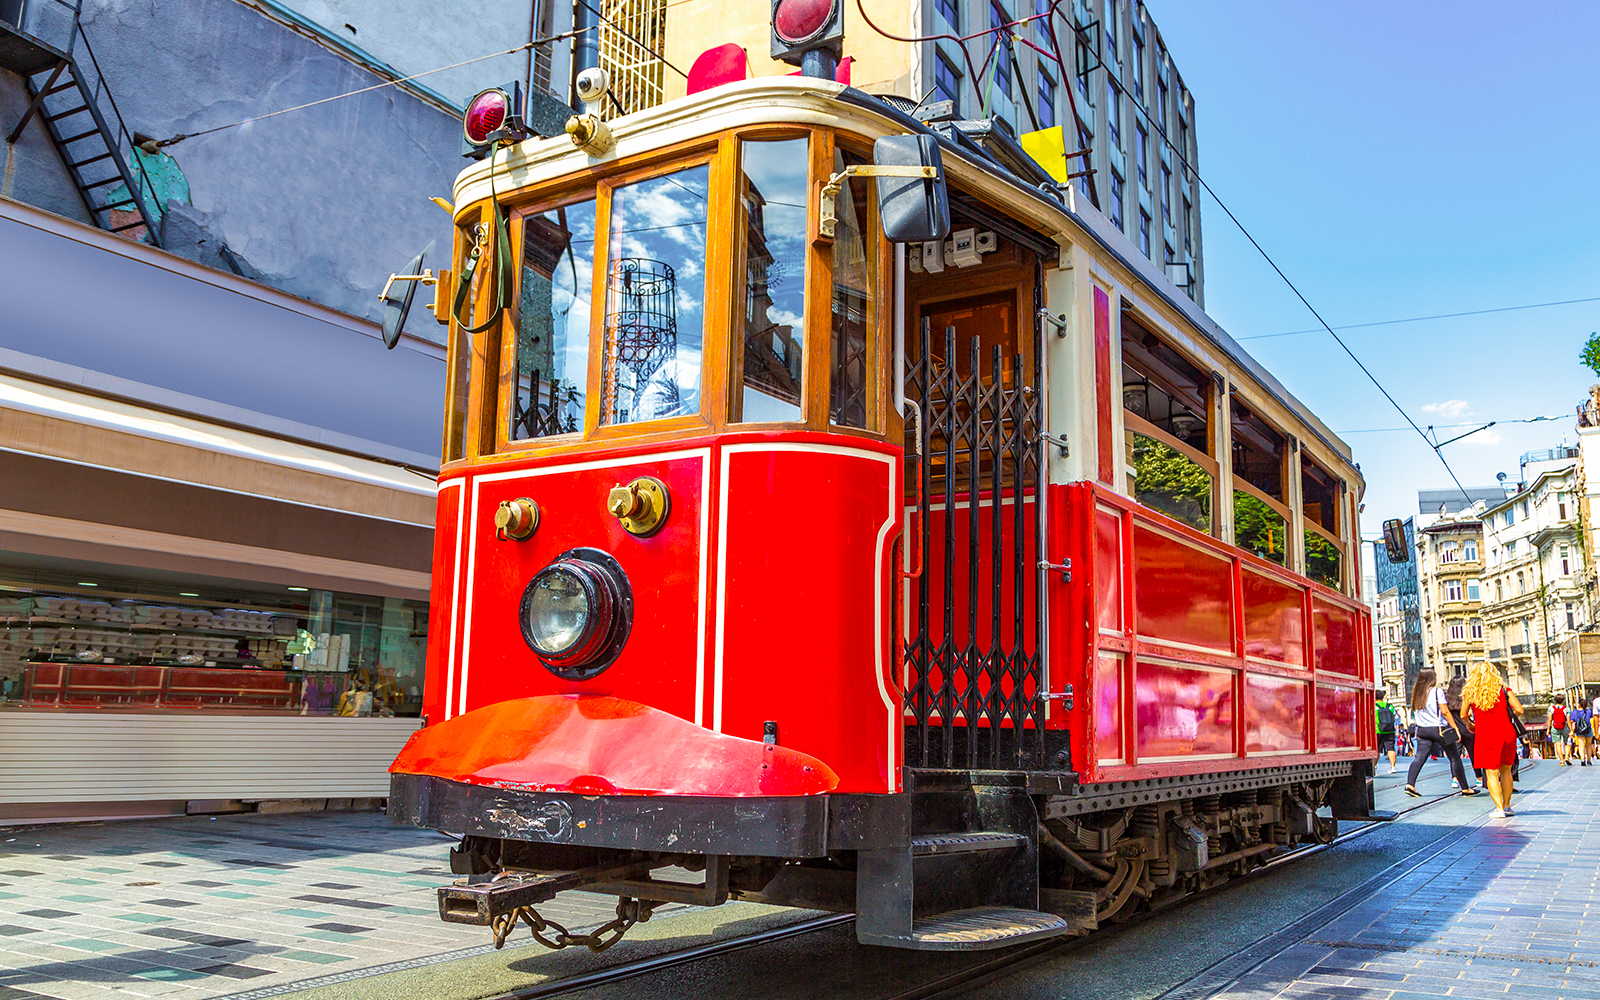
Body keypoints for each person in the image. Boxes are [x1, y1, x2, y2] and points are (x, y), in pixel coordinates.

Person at [1462, 663, 1525, 819]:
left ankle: (1499, 809)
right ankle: (1508, 805)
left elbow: (1463, 715)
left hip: (1486, 734)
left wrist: (1470, 725)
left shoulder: (1471, 692)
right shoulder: (1504, 690)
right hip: (1507, 732)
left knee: (1491, 773)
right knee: (1506, 771)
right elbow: (1519, 710)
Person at [1405, 667, 1477, 797]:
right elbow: (1445, 711)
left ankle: (1410, 784)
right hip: (1439, 729)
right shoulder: (1437, 692)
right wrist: (1455, 727)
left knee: (1419, 758)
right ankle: (1465, 788)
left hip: (1422, 730)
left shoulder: (1417, 693)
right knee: (1454, 757)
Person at [1446, 678, 1484, 789]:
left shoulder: (1447, 697)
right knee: (1473, 755)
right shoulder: (1466, 696)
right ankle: (1479, 778)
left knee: (1455, 756)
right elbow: (1470, 713)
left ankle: (1455, 779)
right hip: (1467, 729)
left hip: (1453, 730)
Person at [1375, 692, 1399, 773]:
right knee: (1391, 748)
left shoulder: (1373, 706)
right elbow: (1394, 718)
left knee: (1377, 749)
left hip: (1378, 730)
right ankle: (1393, 767)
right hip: (1390, 730)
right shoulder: (1390, 706)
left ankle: (1374, 766)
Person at [1551, 694, 1571, 765]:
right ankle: (1567, 757)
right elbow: (1568, 720)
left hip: (1555, 727)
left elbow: (1549, 719)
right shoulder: (1567, 709)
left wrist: (1548, 729)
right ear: (1563, 700)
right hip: (1564, 726)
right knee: (1567, 742)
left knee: (1558, 744)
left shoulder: (1551, 708)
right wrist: (1571, 729)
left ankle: (1562, 761)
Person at [1573, 699, 1595, 765]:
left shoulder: (1575, 712)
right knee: (1588, 745)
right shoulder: (1589, 711)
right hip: (1588, 729)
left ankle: (1582, 759)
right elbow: (1591, 719)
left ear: (1579, 704)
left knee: (1581, 745)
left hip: (1579, 730)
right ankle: (1589, 760)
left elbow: (1572, 721)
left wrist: (1572, 731)